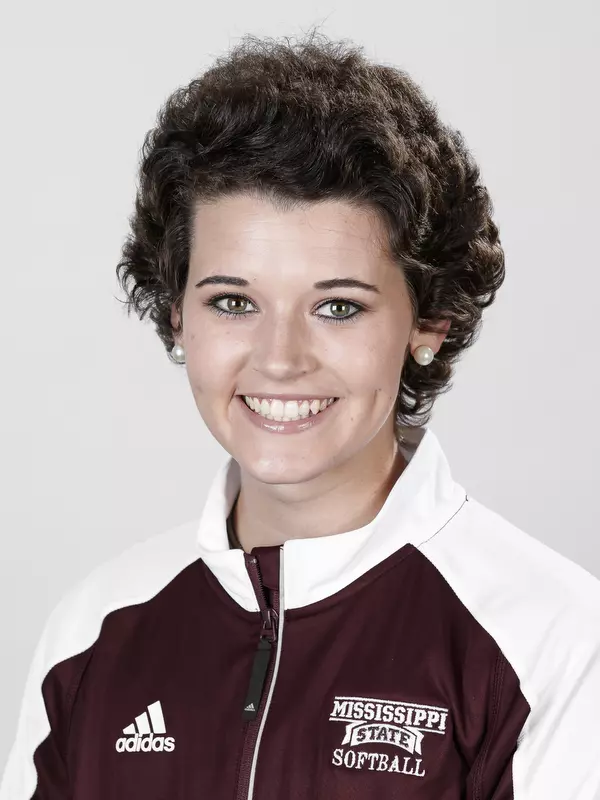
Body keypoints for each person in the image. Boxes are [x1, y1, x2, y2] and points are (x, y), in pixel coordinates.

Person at [2, 27, 600, 800]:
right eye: (233, 301)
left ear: (429, 323)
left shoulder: (552, 636)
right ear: (176, 314)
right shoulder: (90, 633)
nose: (280, 358)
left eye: (339, 307)